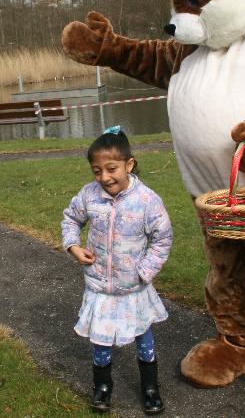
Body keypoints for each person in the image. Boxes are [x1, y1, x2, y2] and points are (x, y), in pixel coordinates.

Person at [61, 126, 173, 415]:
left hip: (135, 289)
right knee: (100, 341)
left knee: (144, 338)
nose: (104, 177)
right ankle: (102, 386)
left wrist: (144, 271)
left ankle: (150, 388)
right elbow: (71, 219)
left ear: (129, 164)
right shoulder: (89, 195)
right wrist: (73, 246)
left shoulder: (147, 200)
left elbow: (162, 238)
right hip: (100, 287)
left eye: (111, 169)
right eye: (97, 171)